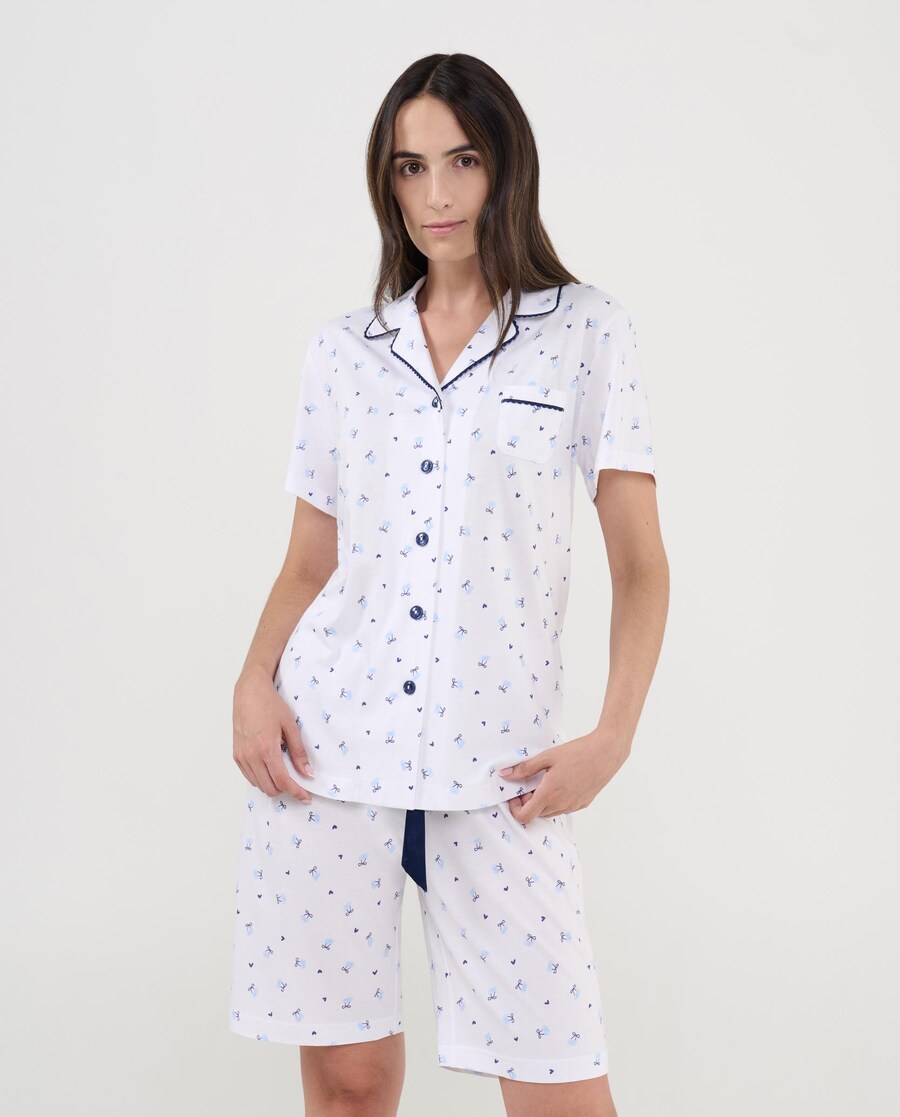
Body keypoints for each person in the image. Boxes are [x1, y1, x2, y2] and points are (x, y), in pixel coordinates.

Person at [228, 52, 669, 1117]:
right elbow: (309, 557)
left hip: (501, 768)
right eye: (410, 166)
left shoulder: (585, 332)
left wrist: (612, 736)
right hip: (328, 749)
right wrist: (251, 680)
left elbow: (640, 563)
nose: (437, 193)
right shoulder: (345, 353)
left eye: (463, 161)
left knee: (561, 1089)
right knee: (350, 1083)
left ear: (506, 165)